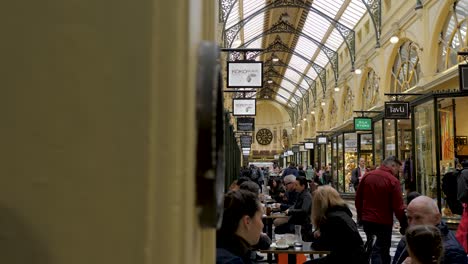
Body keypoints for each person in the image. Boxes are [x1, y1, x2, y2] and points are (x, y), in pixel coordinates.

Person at [355, 156, 408, 264]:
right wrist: (404, 223)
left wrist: (361, 216)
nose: (397, 173)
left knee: (372, 246)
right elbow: (398, 206)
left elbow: (358, 199)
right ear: (392, 166)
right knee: (382, 250)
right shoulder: (393, 181)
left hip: (368, 220)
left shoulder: (367, 176)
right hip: (383, 222)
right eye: (397, 169)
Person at [392, 196, 467, 264]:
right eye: (409, 218)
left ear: (437, 218)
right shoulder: (407, 239)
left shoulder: (451, 251)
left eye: (418, 218)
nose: (412, 224)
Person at [304, 186, 365, 264]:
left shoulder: (332, 219)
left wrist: (317, 237)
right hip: (355, 257)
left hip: (346, 259)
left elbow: (319, 246)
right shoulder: (342, 213)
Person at [216, 190, 264, 264]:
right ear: (247, 221)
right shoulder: (233, 261)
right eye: (260, 218)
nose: (262, 225)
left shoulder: (217, 248)